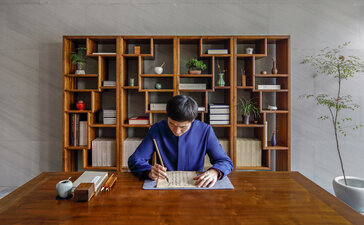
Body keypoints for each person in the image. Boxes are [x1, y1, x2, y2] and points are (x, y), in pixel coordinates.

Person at [128, 95, 233, 188]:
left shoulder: (205, 131)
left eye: (183, 127)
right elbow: (135, 160)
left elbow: (225, 161)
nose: (177, 131)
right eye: (171, 124)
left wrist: (214, 171)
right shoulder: (157, 129)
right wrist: (149, 170)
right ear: (167, 117)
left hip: (195, 186)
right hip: (165, 187)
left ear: (192, 120)